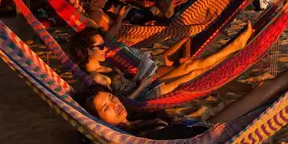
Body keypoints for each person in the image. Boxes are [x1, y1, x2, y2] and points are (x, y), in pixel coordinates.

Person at [77, 14, 288, 139]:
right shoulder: (123, 139)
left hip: (202, 129)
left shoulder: (131, 121)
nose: (115, 104)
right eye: (106, 108)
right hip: (205, 139)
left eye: (111, 100)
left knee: (267, 89)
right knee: (267, 90)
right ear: (99, 121)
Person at [70, 22, 253, 100]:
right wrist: (142, 85)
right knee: (194, 73)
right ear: (87, 50)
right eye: (101, 47)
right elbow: (123, 103)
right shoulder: (96, 79)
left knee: (189, 66)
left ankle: (234, 47)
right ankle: (235, 49)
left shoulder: (103, 67)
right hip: (144, 95)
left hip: (143, 83)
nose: (105, 49)